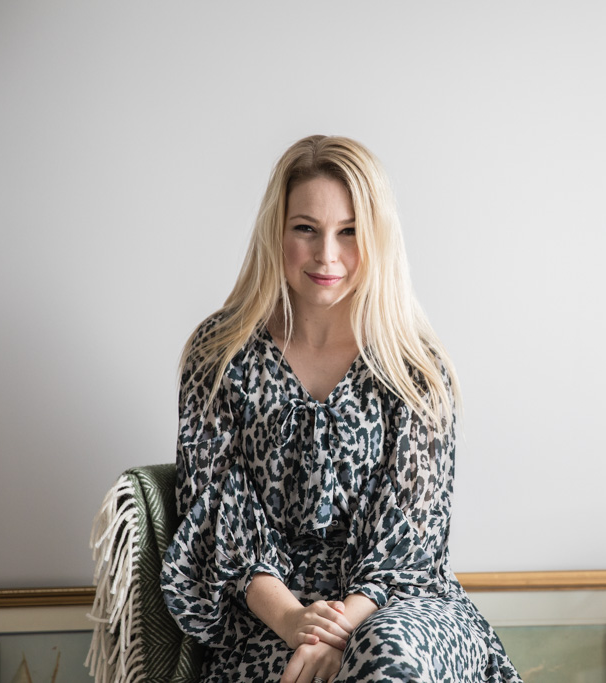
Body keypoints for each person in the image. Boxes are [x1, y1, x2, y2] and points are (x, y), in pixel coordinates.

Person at [160, 135, 523, 683]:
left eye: (349, 232)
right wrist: (295, 622)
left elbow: (411, 540)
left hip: (402, 609)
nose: (327, 254)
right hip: (271, 620)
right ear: (276, 232)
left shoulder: (413, 367)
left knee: (387, 655)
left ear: (377, 238)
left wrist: (343, 629)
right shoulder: (220, 356)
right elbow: (214, 515)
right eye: (306, 228)